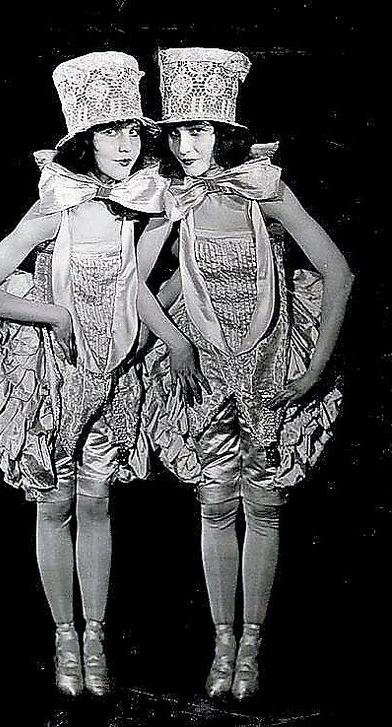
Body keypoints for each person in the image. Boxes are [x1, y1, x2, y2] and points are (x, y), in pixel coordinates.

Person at [137, 47, 353, 701]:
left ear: (225, 133)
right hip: (208, 372)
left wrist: (314, 364)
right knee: (214, 501)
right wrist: (173, 339)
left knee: (262, 503)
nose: (184, 144)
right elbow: (135, 282)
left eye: (197, 129)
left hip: (265, 366)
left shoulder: (264, 190)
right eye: (175, 131)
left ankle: (251, 646)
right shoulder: (177, 198)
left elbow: (339, 271)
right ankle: (221, 642)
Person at [0, 51, 168, 698]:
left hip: (112, 371)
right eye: (109, 132)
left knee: (97, 499)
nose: (125, 145)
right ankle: (64, 637)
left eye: (133, 130)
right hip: (55, 378)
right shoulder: (56, 207)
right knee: (54, 499)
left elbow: (140, 278)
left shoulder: (143, 201)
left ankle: (97, 636)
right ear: (84, 140)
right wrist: (51, 313)